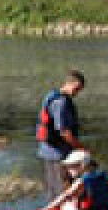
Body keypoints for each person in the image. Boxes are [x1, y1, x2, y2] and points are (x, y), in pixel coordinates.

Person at [35, 70, 86, 200]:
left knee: (54, 189)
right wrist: (81, 148)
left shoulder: (51, 95)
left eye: (79, 90)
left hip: (48, 151)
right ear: (69, 83)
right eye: (76, 89)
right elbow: (64, 132)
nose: (77, 93)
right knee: (62, 189)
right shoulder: (61, 102)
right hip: (58, 153)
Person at [38, 150, 108, 210]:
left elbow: (66, 195)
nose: (68, 170)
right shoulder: (101, 175)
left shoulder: (83, 180)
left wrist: (46, 209)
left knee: (65, 205)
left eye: (71, 166)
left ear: (82, 165)